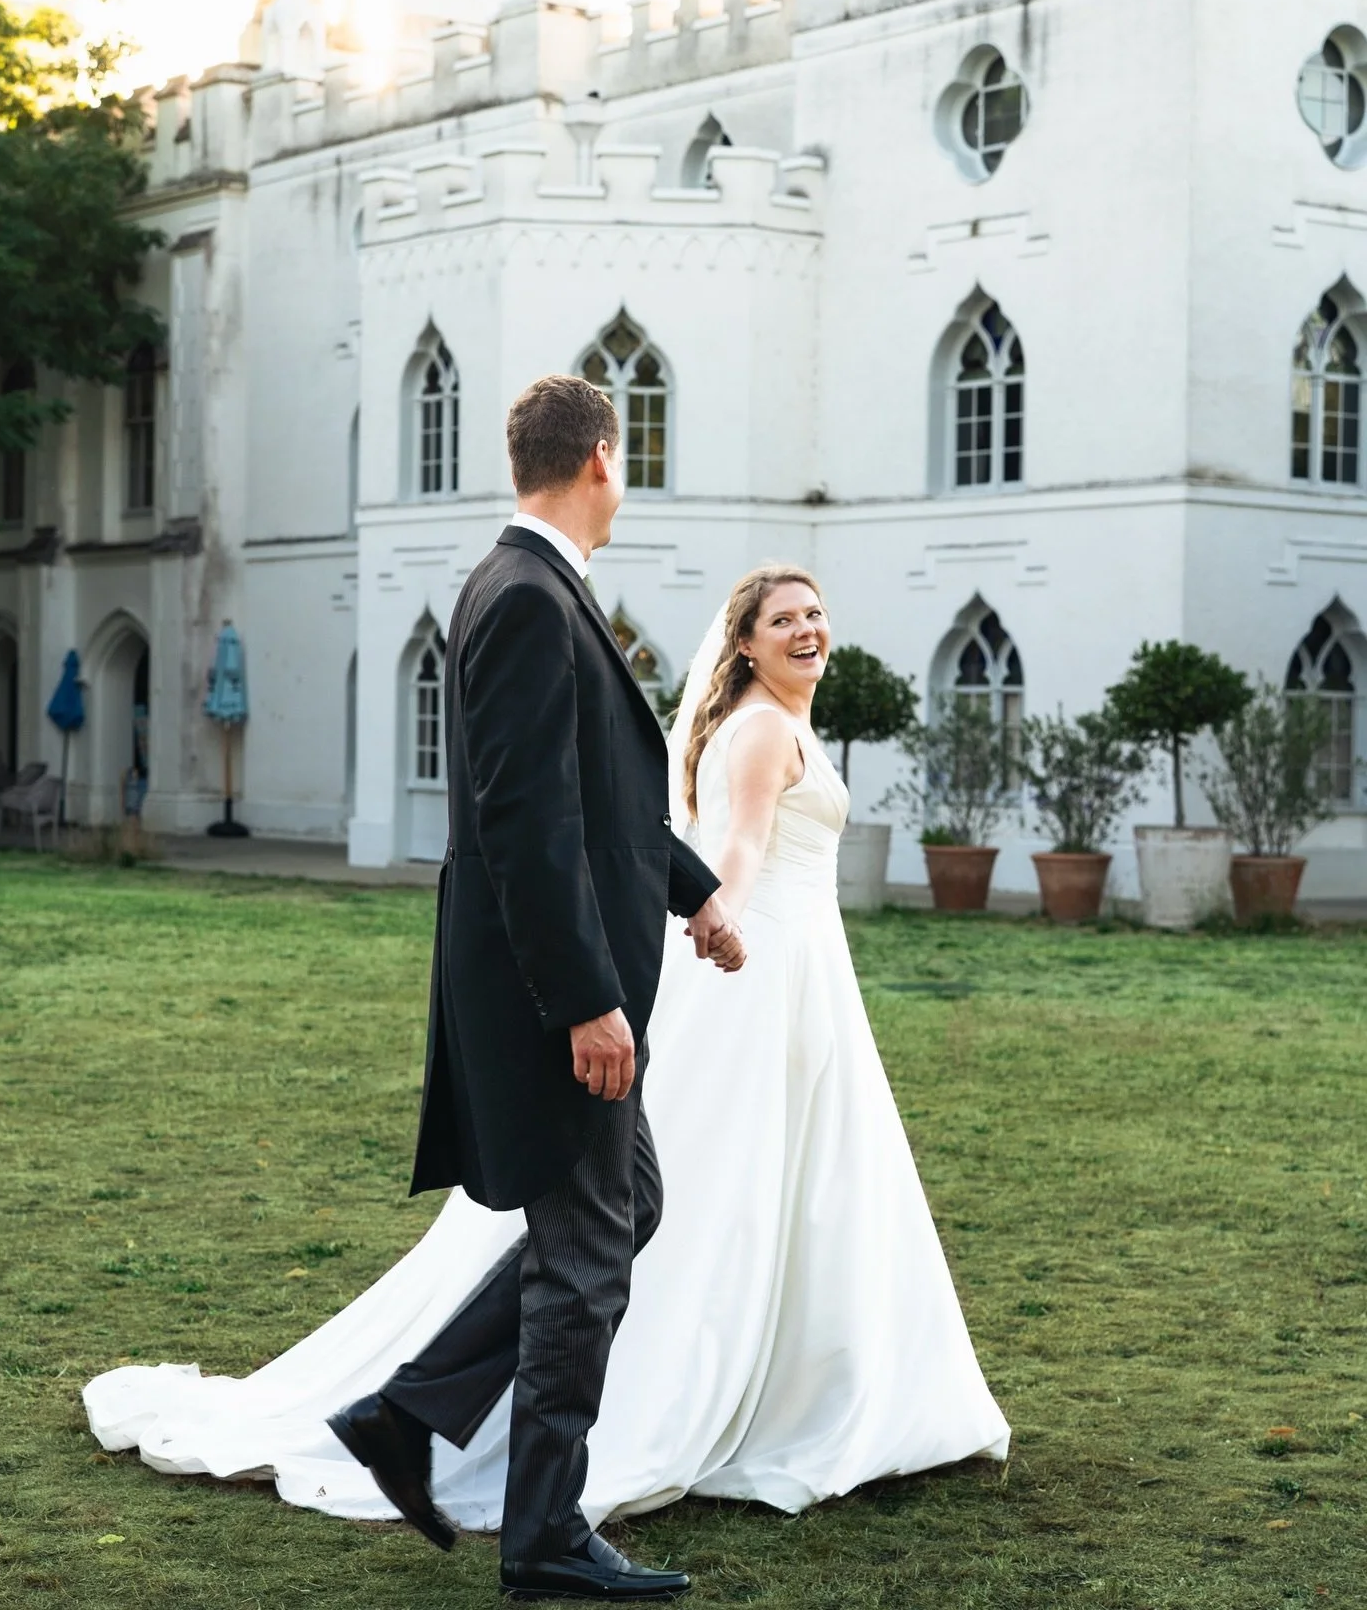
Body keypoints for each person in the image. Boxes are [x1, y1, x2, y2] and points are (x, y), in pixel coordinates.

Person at [84, 558, 1009, 1593]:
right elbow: (706, 840)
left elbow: (646, 830)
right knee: (635, 1217)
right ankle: (513, 1501)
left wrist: (700, 907)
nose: (806, 628)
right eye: (783, 616)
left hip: (777, 973)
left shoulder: (706, 684)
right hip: (740, 975)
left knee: (637, 1210)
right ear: (742, 641)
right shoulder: (676, 681)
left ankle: (426, 1417)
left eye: (815, 612)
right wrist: (720, 914)